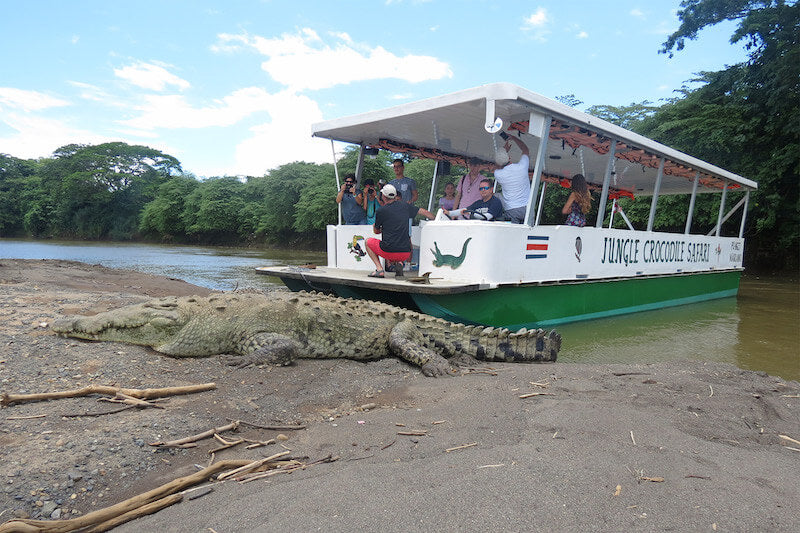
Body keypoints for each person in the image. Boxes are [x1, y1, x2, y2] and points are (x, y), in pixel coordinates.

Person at [366, 184, 434, 278]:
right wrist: (436, 219)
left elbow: (376, 232)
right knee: (398, 239)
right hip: (405, 253)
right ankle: (400, 264)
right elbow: (424, 212)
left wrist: (375, 227)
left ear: (383, 196)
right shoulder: (405, 206)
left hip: (388, 252)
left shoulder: (381, 211)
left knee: (368, 242)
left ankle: (379, 269)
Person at [491, 132, 531, 224]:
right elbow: (525, 149)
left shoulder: (499, 174)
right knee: (528, 233)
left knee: (514, 234)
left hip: (511, 209)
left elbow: (497, 166)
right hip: (527, 207)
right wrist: (513, 138)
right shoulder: (522, 166)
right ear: (509, 157)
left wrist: (503, 152)